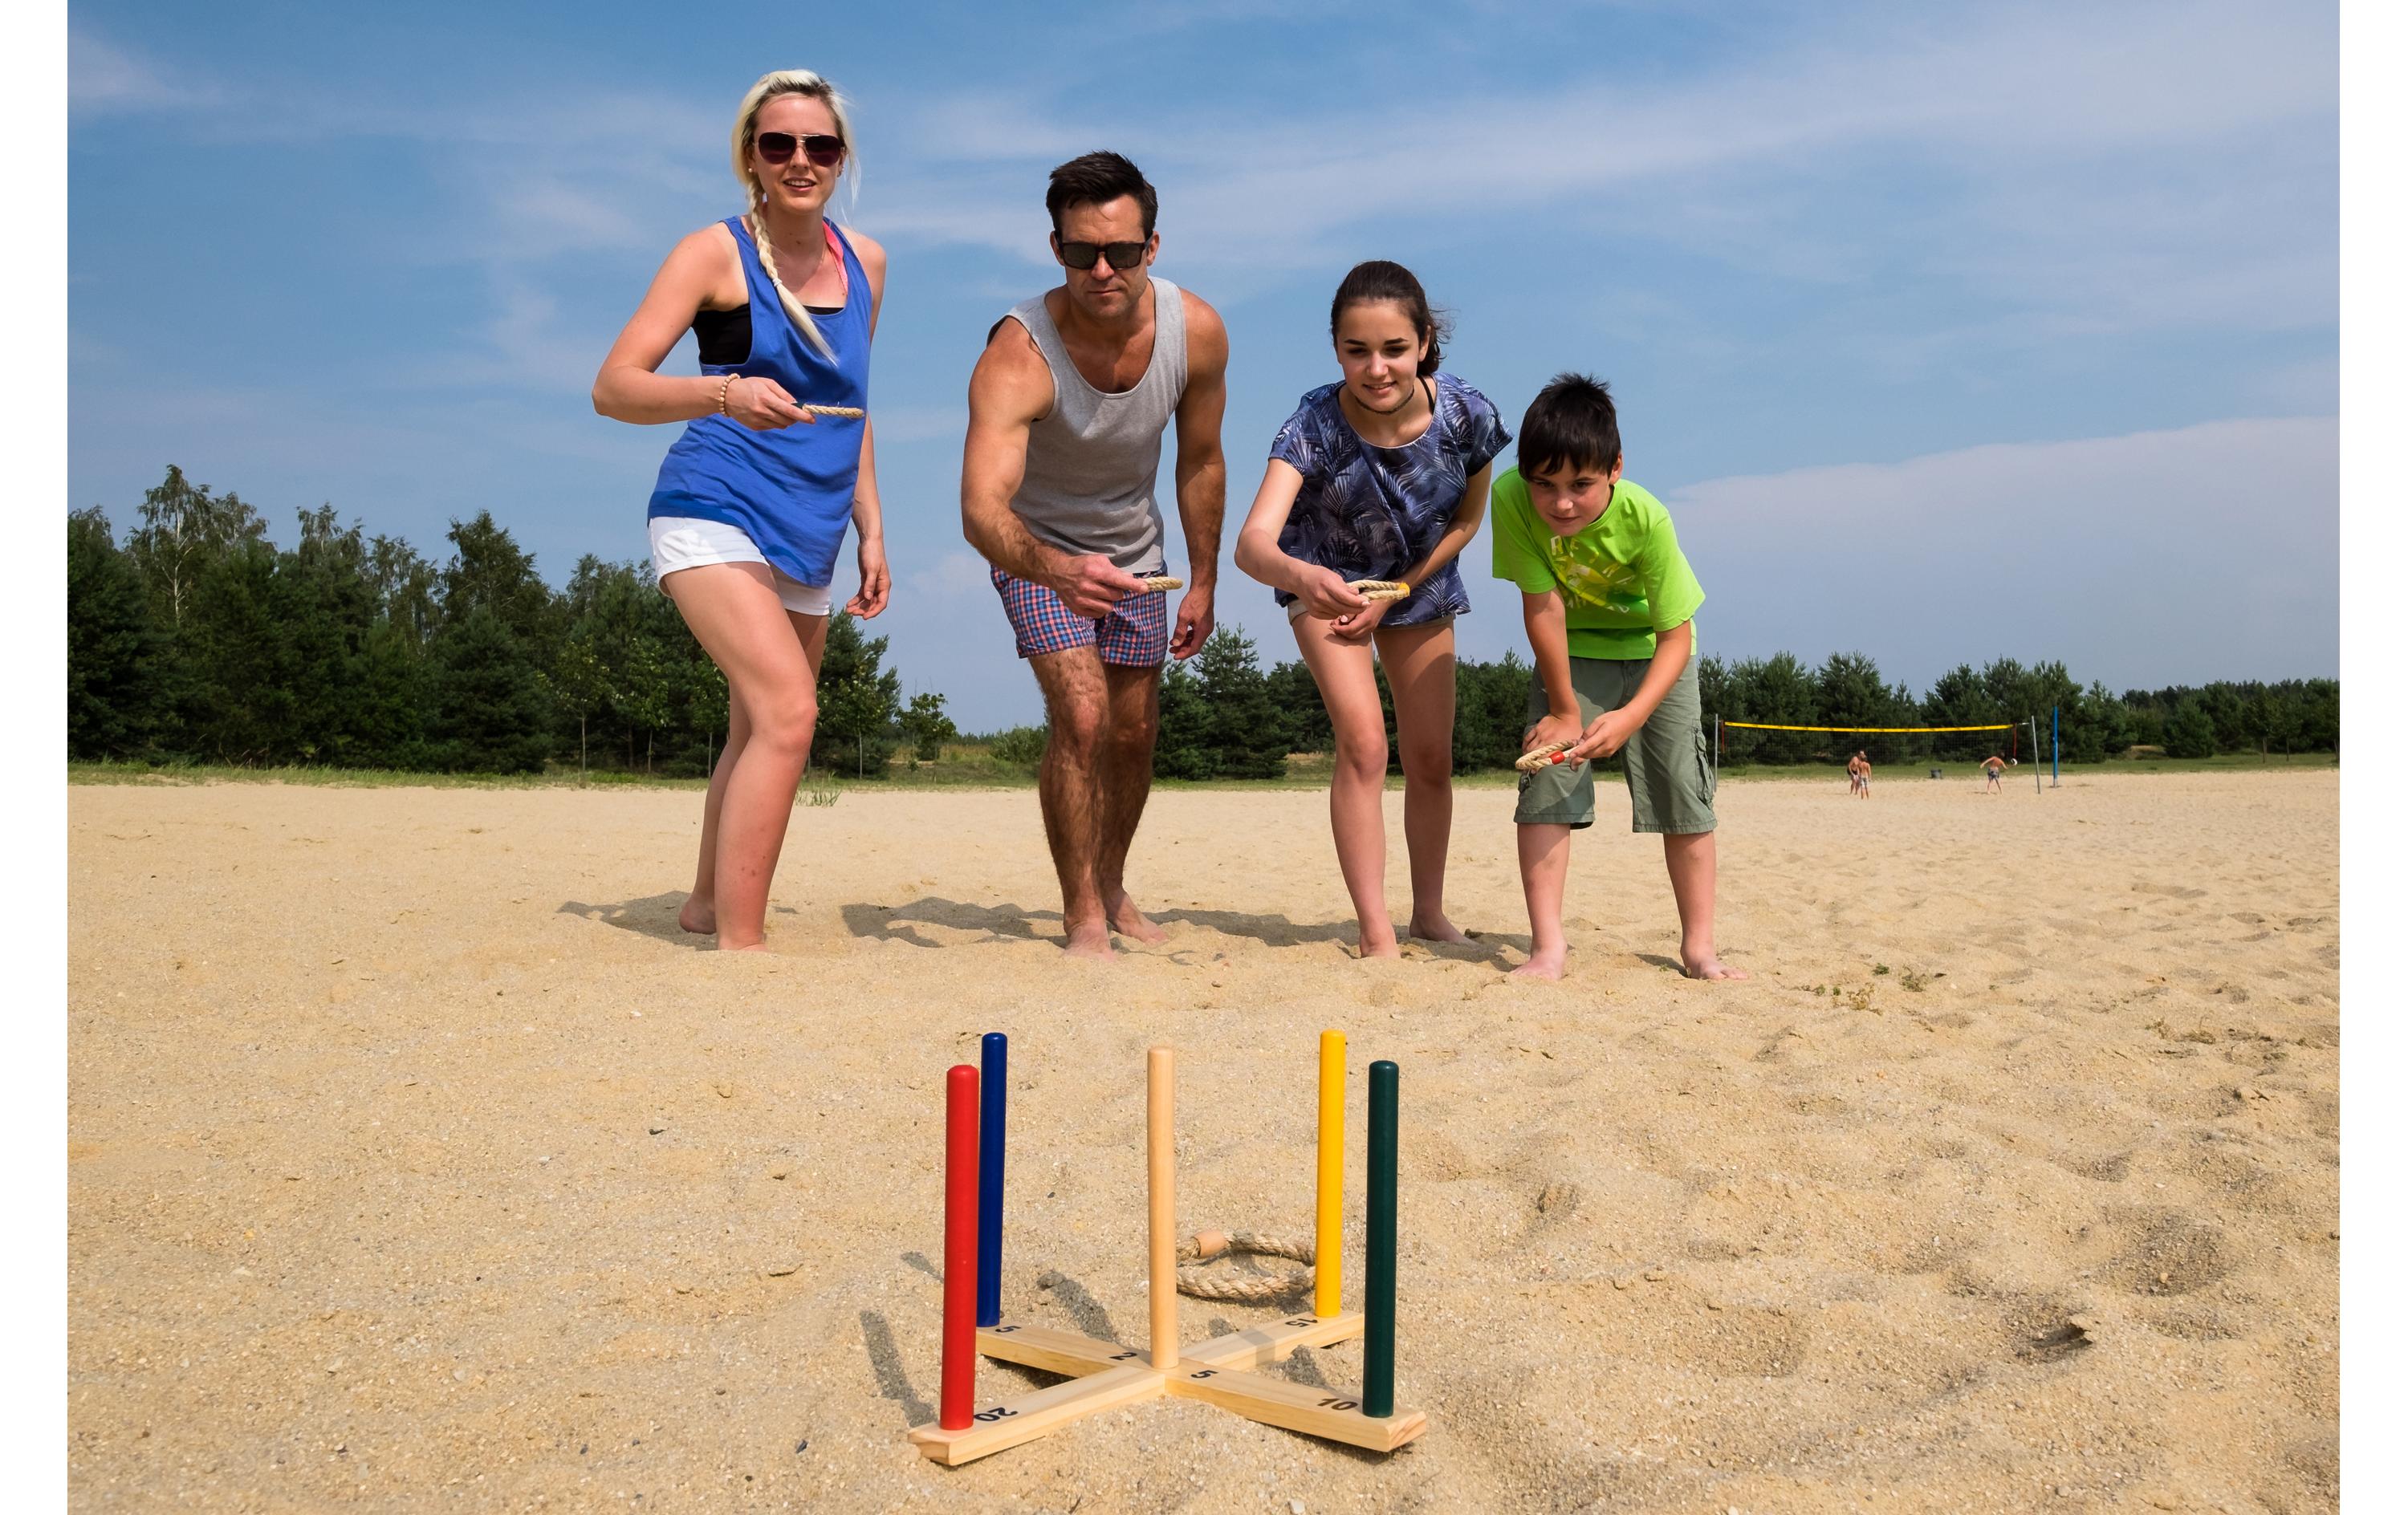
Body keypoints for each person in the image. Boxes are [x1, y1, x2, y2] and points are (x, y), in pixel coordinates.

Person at [591, 70, 890, 952]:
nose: (801, 161)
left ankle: (704, 903)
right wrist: (723, 393)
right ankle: (743, 948)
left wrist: (873, 525)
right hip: (711, 503)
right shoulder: (712, 253)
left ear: (841, 159)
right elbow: (614, 388)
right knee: (791, 713)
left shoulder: (867, 261)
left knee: (757, 722)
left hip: (814, 524)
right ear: (750, 159)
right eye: (779, 145)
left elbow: (855, 404)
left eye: (820, 146)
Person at [959, 152, 1230, 960]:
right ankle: (1081, 910)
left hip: (1137, 552)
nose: (1101, 269)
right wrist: (1055, 567)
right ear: (1056, 249)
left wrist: (1205, 578)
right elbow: (980, 509)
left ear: (1153, 246)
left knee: (1134, 731)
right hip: (1036, 548)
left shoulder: (1198, 332)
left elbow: (1201, 460)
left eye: (1120, 251)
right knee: (1082, 715)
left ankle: (1111, 884)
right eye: (1081, 253)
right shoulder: (1019, 353)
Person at [1232, 262, 1507, 957]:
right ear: (1335, 349)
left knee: (1431, 759)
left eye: (1393, 349)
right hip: (1327, 582)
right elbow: (1252, 544)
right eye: (1357, 350)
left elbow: (1468, 522)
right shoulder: (1313, 423)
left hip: (1420, 581)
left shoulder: (1468, 415)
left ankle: (1429, 913)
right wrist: (1304, 576)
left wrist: (1405, 591)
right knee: (1364, 746)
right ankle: (1374, 927)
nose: (1376, 367)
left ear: (1423, 342)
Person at [1491, 375, 1745, 981]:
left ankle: (1699, 949)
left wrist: (1631, 717)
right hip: (1571, 655)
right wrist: (1566, 710)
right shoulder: (1509, 498)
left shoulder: (1648, 519)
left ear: (1615, 468)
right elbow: (1542, 606)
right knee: (1548, 783)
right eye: (1544, 485)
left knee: (1683, 790)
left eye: (1581, 484)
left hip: (1656, 656)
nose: (1561, 504)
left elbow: (1676, 636)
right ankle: (1548, 948)